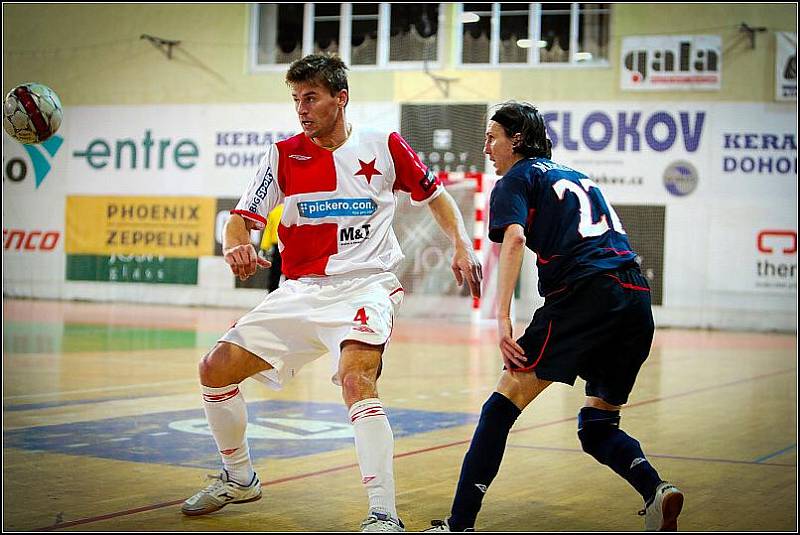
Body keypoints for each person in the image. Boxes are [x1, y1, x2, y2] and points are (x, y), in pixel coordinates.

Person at [180, 53, 482, 533]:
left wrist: (462, 245)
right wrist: (236, 243)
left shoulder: (383, 145)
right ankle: (239, 478)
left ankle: (384, 513)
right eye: (296, 99)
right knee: (214, 369)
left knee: (355, 379)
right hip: (300, 289)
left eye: (312, 97)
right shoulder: (282, 155)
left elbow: (436, 196)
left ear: (340, 98)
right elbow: (242, 218)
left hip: (368, 284)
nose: (302, 108)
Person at [426, 102, 683, 532]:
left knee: (500, 406)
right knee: (597, 425)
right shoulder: (576, 175)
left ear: (518, 140)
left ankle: (459, 525)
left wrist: (502, 316)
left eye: (493, 137)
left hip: (586, 294)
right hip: (636, 297)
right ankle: (656, 489)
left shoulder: (515, 179)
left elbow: (513, 239)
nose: (486, 147)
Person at [259, 203, 284, 292]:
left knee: (274, 275)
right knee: (291, 275)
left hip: (277, 248)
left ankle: (271, 295)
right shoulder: (293, 209)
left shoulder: (274, 211)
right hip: (290, 246)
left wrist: (264, 247)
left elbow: (268, 231)